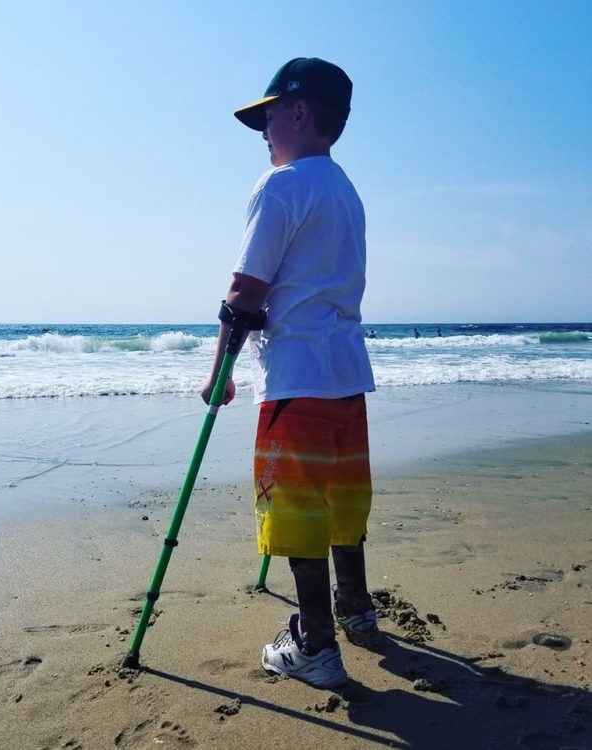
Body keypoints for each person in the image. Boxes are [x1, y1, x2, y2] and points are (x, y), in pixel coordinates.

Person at [201, 58, 379, 690]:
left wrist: (220, 367)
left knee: (297, 509)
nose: (265, 130)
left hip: (296, 378)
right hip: (346, 376)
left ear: (299, 113)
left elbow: (246, 290)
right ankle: (356, 608)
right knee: (340, 500)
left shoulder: (281, 186)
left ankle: (313, 643)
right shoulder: (346, 191)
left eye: (270, 115)